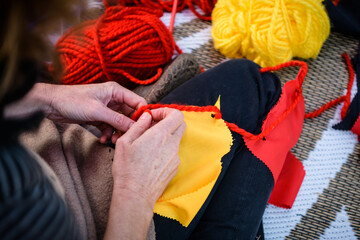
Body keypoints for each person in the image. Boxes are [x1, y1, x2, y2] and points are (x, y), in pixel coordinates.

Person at [1, 0, 284, 239]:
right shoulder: (19, 194)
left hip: (62, 150)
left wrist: (46, 98)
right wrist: (134, 191)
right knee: (252, 85)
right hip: (110, 214)